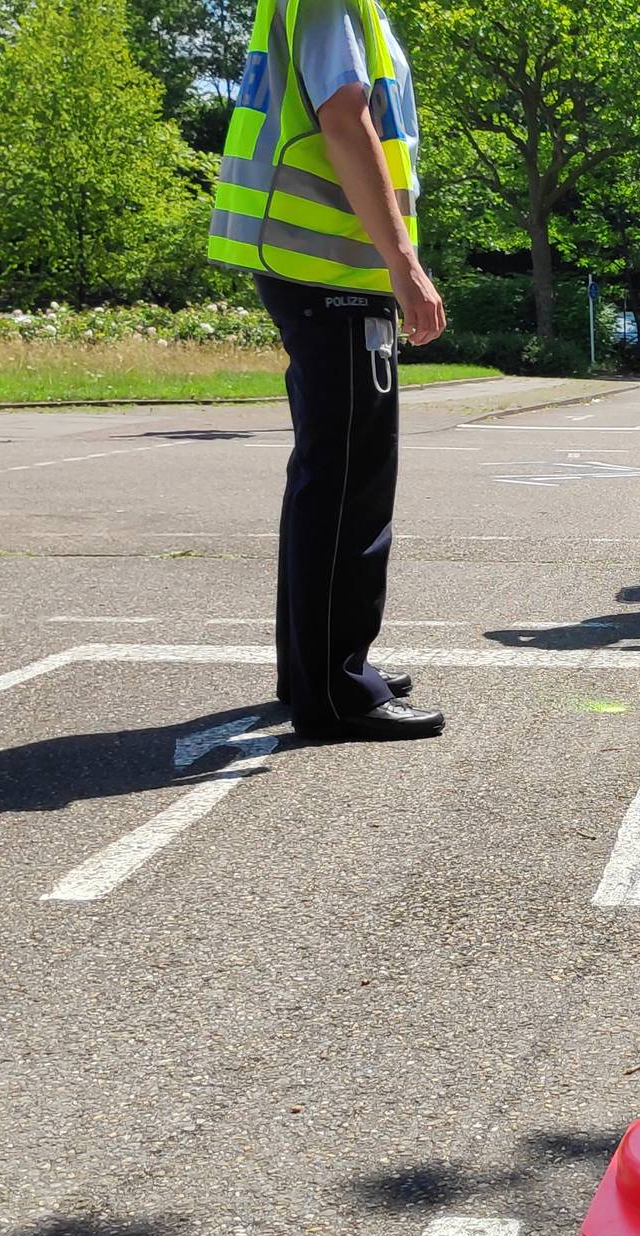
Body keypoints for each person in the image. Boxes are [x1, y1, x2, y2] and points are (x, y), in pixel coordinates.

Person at [205, 0, 449, 740]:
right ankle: (338, 688)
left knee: (329, 474)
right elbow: (346, 122)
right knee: (350, 481)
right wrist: (404, 263)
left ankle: (316, 666)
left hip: (320, 264)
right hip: (329, 266)